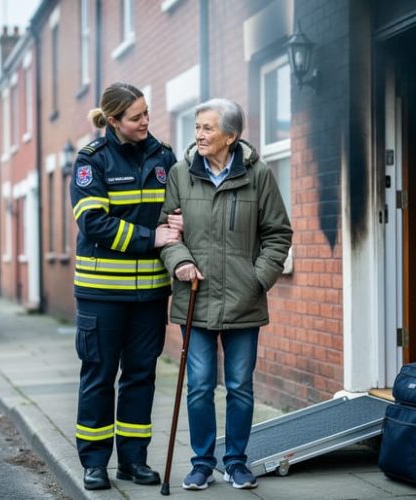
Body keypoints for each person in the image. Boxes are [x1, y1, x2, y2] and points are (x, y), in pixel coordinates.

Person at [159, 98, 292, 490]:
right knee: (199, 384)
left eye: (207, 128)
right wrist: (180, 261)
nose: (198, 134)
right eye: (197, 127)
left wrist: (259, 278)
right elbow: (167, 233)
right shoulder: (180, 175)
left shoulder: (259, 176)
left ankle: (235, 461)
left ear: (230, 137)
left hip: (243, 300)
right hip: (195, 299)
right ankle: (202, 462)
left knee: (239, 386)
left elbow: (278, 233)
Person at [69, 82, 180, 491]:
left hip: (150, 294)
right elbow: (93, 223)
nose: (146, 122)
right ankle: (95, 463)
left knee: (140, 376)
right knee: (99, 375)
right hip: (101, 296)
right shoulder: (91, 161)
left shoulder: (163, 156)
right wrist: (152, 238)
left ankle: (134, 461)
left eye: (147, 113)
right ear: (113, 121)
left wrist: (179, 222)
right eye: (136, 117)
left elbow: (176, 208)